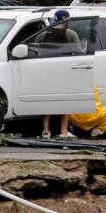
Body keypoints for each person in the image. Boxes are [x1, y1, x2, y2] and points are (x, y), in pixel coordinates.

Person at [41, 9, 77, 139]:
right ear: (64, 20)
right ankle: (63, 131)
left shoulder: (43, 34)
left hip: (48, 72)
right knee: (65, 101)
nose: (69, 23)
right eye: (67, 20)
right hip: (64, 71)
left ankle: (46, 131)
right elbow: (78, 52)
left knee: (48, 101)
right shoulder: (71, 35)